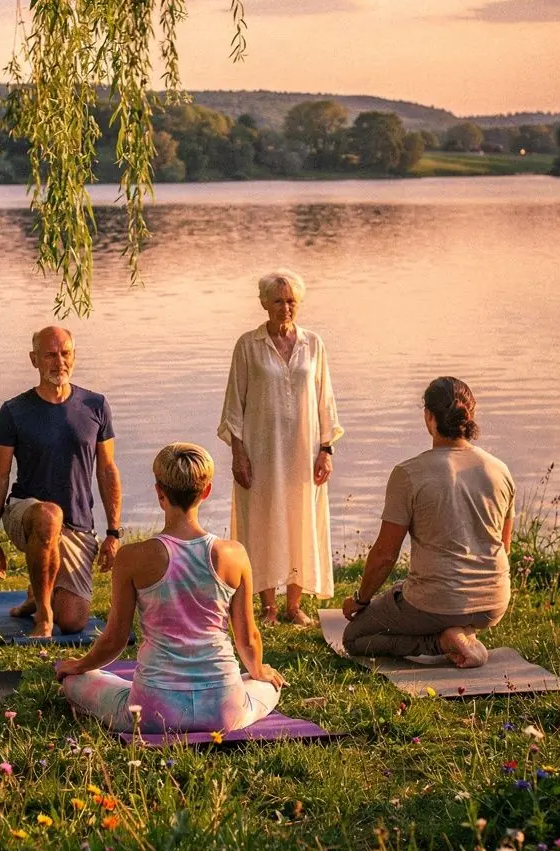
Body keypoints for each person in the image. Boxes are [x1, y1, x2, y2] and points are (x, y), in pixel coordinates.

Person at [56, 443, 284, 733]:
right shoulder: (234, 554)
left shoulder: (132, 558)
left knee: (76, 682)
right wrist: (259, 671)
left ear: (159, 492)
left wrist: (79, 666)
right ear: (206, 492)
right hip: (224, 709)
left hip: (152, 712)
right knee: (268, 684)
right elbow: (248, 638)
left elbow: (115, 639)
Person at [342, 377, 515, 668]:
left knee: (354, 639)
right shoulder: (500, 471)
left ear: (428, 417)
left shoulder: (409, 473)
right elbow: (504, 547)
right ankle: (464, 630)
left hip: (435, 603)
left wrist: (360, 600)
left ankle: (441, 641)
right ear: (470, 415)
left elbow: (385, 556)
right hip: (493, 603)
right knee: (408, 588)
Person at [218, 268, 343, 627]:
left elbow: (325, 402)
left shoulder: (313, 344)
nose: (285, 308)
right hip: (260, 451)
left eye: (291, 301)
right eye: (278, 301)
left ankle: (293, 605)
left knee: (300, 518)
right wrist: (237, 453)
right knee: (261, 520)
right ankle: (268, 608)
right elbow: (234, 405)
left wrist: (326, 449)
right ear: (264, 304)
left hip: (304, 452)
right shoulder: (248, 345)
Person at [0, 326, 122, 637]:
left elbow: (107, 470)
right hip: (26, 513)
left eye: (65, 353)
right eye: (50, 355)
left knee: (73, 621)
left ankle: (36, 596)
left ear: (74, 357)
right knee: (49, 516)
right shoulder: (13, 411)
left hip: (77, 524)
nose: (59, 361)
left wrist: (113, 532)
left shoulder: (95, 406)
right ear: (34, 360)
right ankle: (43, 615)